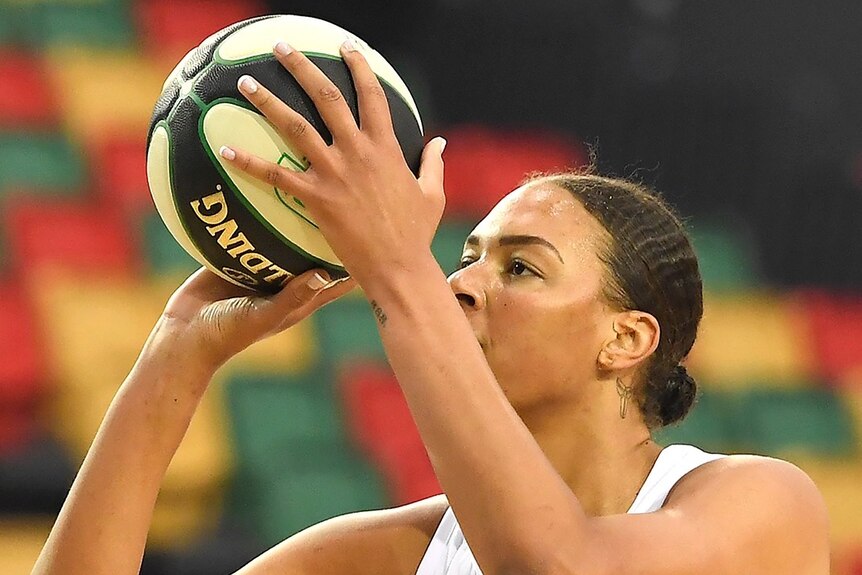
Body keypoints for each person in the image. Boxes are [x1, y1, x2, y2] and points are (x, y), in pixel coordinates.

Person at [32, 39, 829, 575]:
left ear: (626, 337)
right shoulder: (399, 550)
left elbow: (558, 563)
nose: (460, 283)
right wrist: (176, 351)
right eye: (464, 257)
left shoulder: (758, 503)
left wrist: (393, 260)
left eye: (522, 267)